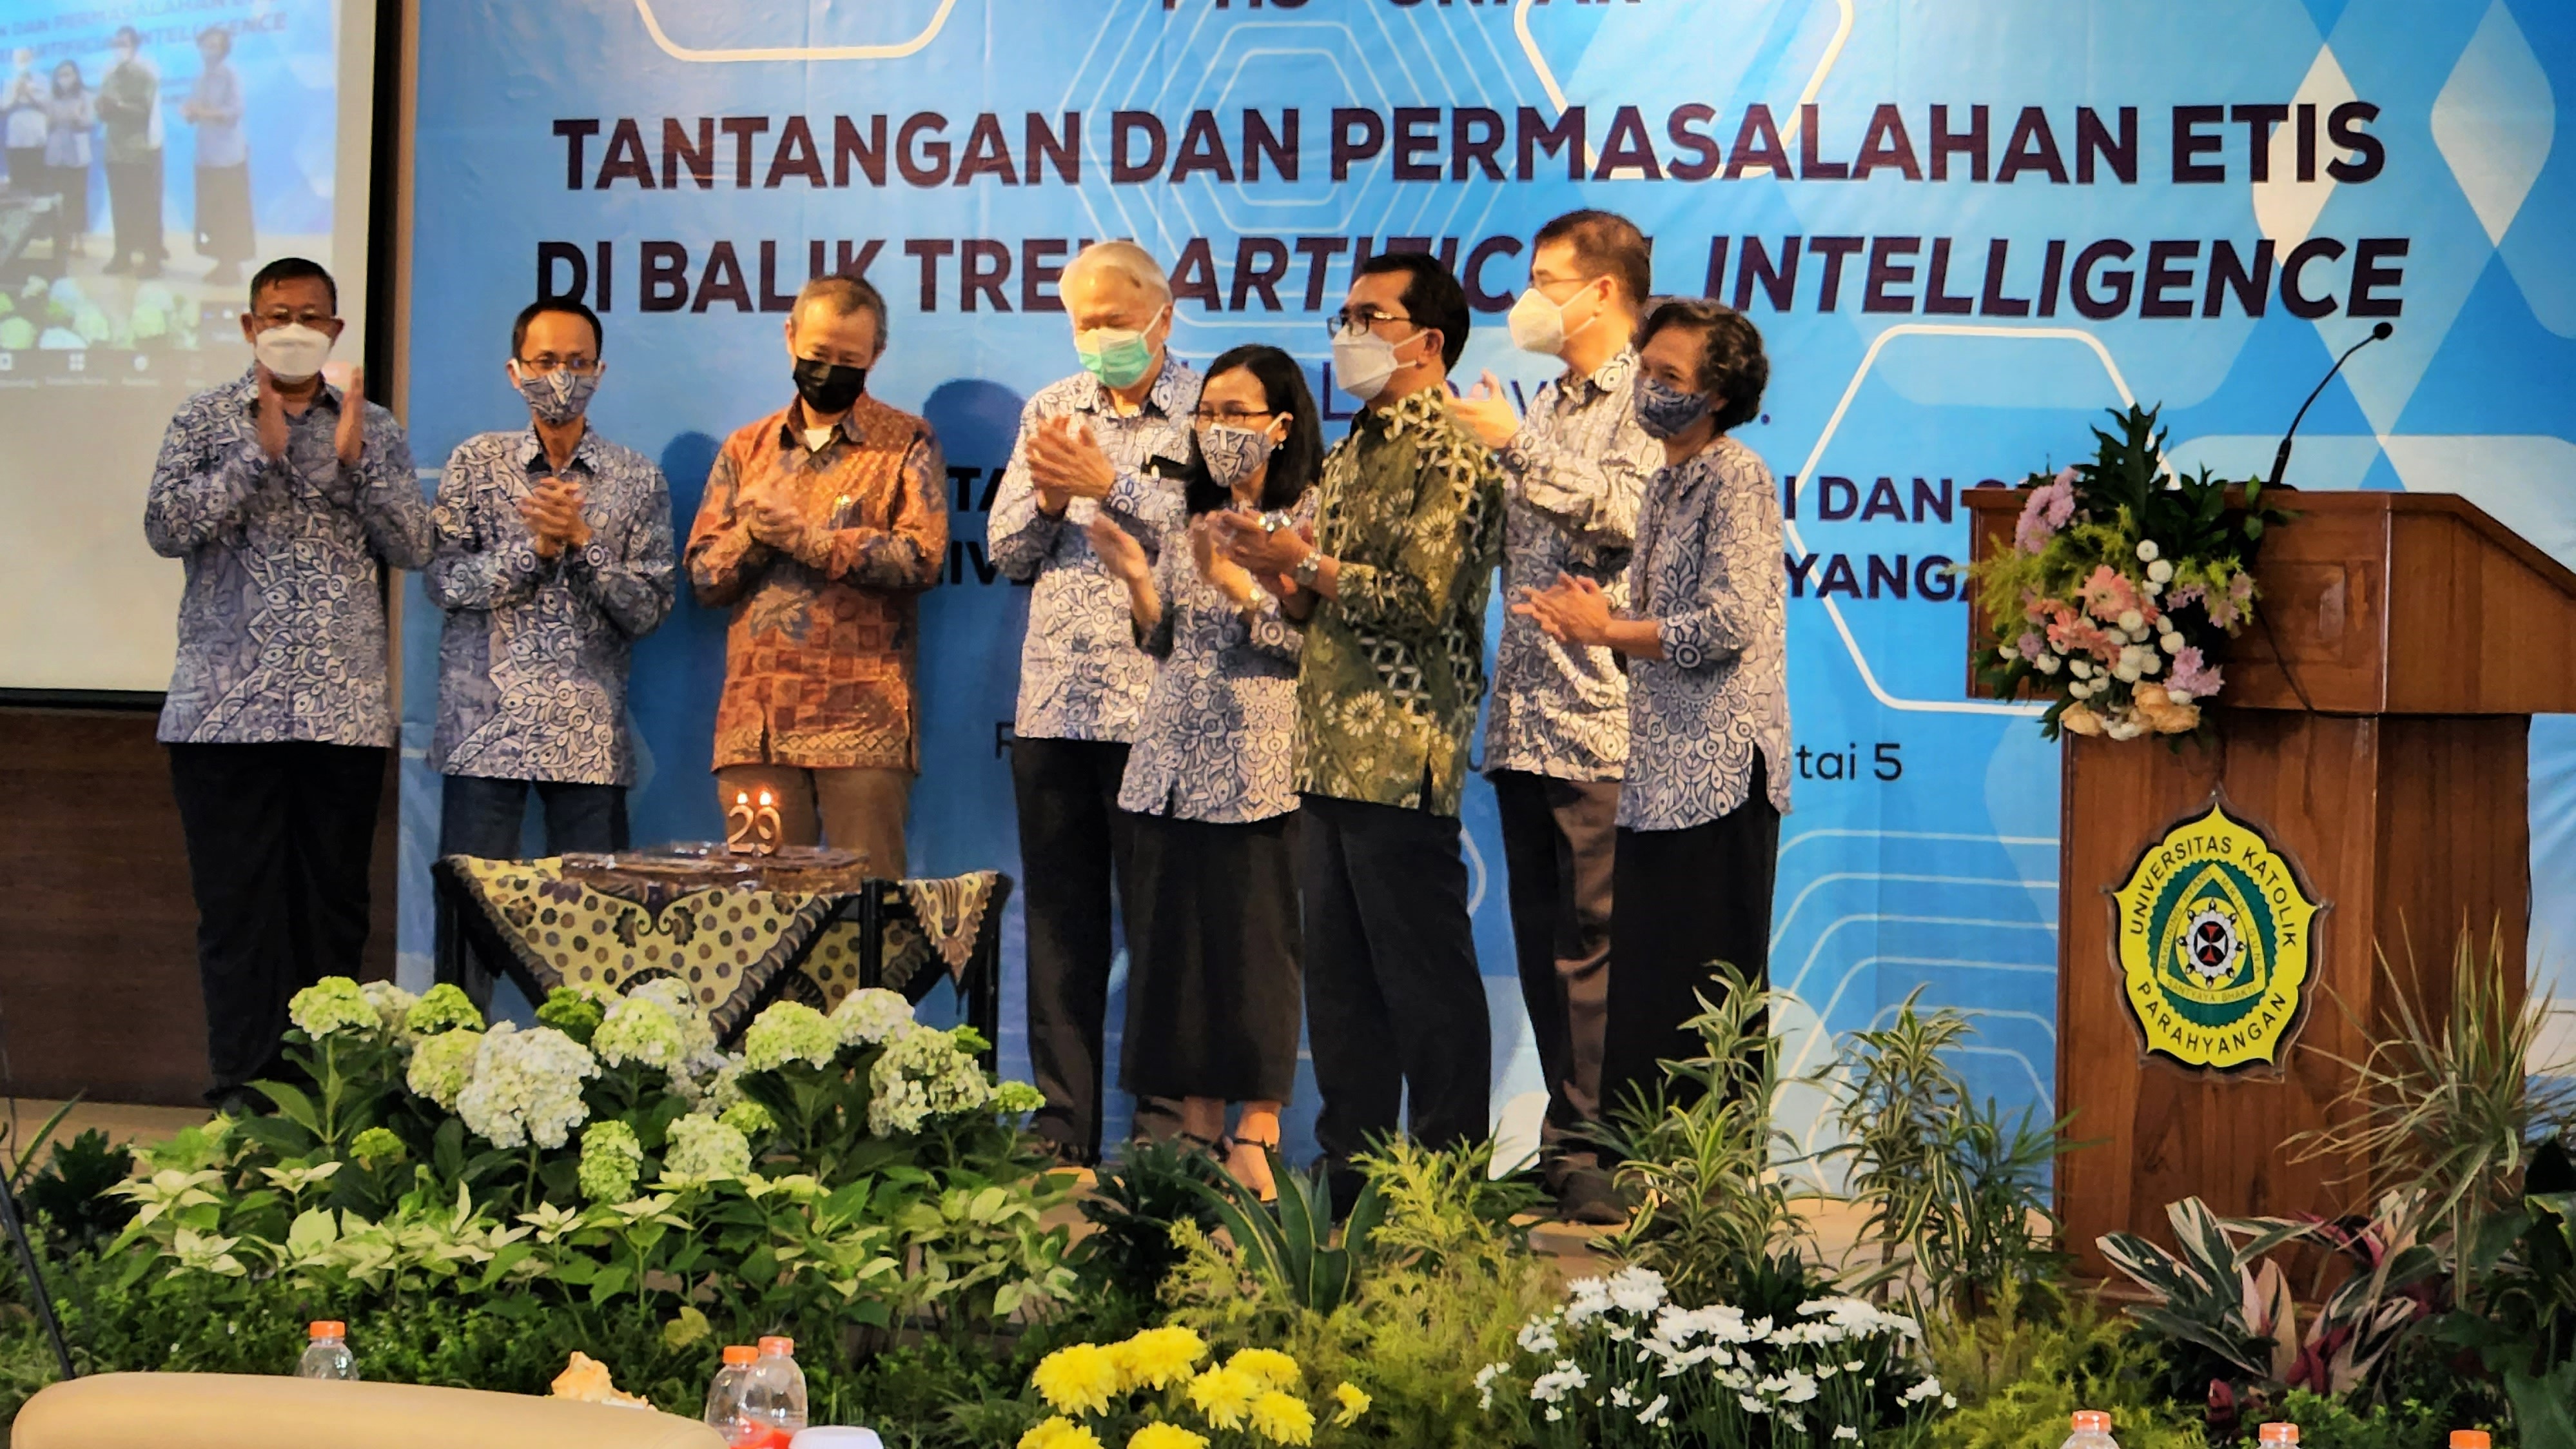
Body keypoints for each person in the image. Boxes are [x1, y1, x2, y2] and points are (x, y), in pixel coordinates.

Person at [1214, 251, 1506, 1208]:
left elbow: (1424, 601)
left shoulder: (1454, 449)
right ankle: (1353, 1177)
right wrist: (1276, 569)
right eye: (1343, 316)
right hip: (1326, 749)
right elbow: (1320, 606)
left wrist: (1309, 563)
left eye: (1370, 317)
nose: (1348, 333)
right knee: (1341, 989)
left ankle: (1448, 1190)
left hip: (1402, 749)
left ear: (1428, 340)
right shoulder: (1350, 450)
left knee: (1425, 985)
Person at [144, 257, 430, 1109]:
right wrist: (254, 456)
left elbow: (415, 546)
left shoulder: (373, 427)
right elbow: (164, 527)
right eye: (277, 315)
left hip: (340, 714)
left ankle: (325, 1099)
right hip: (223, 714)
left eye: (311, 315)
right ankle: (241, 1094)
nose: (294, 328)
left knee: (331, 912)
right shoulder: (204, 419)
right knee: (239, 913)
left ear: (336, 330)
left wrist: (358, 465)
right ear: (250, 326)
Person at [1514, 298, 1790, 1119]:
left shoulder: (1736, 474)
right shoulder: (1666, 482)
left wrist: (1609, 628)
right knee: (1649, 1001)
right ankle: (1651, 1173)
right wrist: (1598, 615)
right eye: (1645, 369)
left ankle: (1712, 1181)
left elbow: (1728, 623)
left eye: (1670, 375)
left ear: (1718, 394)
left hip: (1718, 774)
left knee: (1708, 1002)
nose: (1648, 387)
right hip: (1657, 774)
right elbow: (1657, 621)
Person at [1448, 210, 1660, 1223]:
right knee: (1546, 946)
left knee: (1596, 947)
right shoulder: (1554, 399)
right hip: (1527, 717)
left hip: (1602, 720)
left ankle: (1606, 1149)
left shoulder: (1649, 392)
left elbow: (1632, 514)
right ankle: (1566, 1140)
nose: (1528, 299)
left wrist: (1518, 446)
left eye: (1545, 279)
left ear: (1602, 291)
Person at [1091, 344, 1322, 1199]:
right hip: (1170, 763)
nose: (1218, 428)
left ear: (1281, 424)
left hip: (1260, 766)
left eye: (1236, 412)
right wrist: (1138, 581)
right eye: (1208, 413)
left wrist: (1239, 586)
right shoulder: (1196, 508)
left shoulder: (1311, 516)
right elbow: (1163, 640)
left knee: (1254, 954)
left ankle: (1257, 1132)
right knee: (1176, 955)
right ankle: (1197, 1129)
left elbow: (1311, 648)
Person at [988, 240, 1197, 1167]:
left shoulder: (1207, 409)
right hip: (1055, 705)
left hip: (1162, 703)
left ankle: (1164, 1127)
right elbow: (1006, 552)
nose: (1099, 337)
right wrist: (1046, 495)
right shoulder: (1051, 409)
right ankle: (1060, 1124)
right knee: (1060, 923)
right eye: (1084, 322)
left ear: (1163, 314)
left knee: (1165, 921)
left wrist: (1112, 487)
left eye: (1115, 320)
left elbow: (1216, 539)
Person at [427, 298, 675, 1010]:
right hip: (484, 733)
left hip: (588, 740)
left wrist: (584, 545)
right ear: (515, 372)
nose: (561, 377)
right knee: (469, 930)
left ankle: (595, 1067)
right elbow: (443, 582)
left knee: (597, 937)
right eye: (544, 362)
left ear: (600, 371)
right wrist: (532, 552)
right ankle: (452, 1062)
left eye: (576, 362)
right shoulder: (476, 463)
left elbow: (649, 609)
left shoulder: (636, 479)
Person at [686, 274, 945, 875]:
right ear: (790, 338)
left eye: (849, 360)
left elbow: (922, 557)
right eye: (818, 354)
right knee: (760, 910)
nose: (830, 371)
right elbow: (703, 578)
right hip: (758, 726)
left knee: (870, 904)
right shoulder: (746, 448)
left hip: (864, 721)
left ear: (876, 355)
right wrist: (755, 534)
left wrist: (813, 541)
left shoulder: (907, 441)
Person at [182, 27, 251, 286]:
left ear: (224, 49)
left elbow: (235, 110)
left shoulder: (230, 74)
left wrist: (204, 112)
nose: (208, 50)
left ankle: (231, 265)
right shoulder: (201, 77)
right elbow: (198, 111)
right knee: (211, 214)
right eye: (205, 44)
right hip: (206, 155)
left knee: (229, 212)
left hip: (228, 156)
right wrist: (191, 113)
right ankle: (220, 262)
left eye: (215, 45)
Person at [94, 27, 162, 278]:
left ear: (135, 45)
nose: (118, 48)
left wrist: (120, 106)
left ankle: (152, 260)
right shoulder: (109, 76)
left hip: (139, 150)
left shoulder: (145, 75)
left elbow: (146, 110)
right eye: (115, 43)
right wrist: (102, 108)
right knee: (120, 207)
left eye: (123, 43)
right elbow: (104, 112)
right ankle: (122, 255)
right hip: (115, 150)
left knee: (144, 208)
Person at [41, 61, 90, 266]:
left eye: (68, 74)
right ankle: (61, 240)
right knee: (58, 200)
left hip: (77, 157)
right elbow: (46, 123)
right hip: (56, 156)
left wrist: (77, 118)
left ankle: (79, 241)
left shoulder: (85, 96)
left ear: (76, 76)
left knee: (77, 199)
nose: (64, 79)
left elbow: (90, 122)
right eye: (61, 75)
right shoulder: (51, 97)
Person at [5, 51, 46, 198]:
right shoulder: (9, 82)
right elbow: (3, 107)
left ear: (32, 60)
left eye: (25, 59)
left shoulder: (42, 80)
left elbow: (47, 105)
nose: (22, 63)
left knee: (37, 179)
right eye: (19, 60)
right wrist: (16, 94)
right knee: (19, 180)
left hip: (36, 136)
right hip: (16, 138)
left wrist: (29, 94)